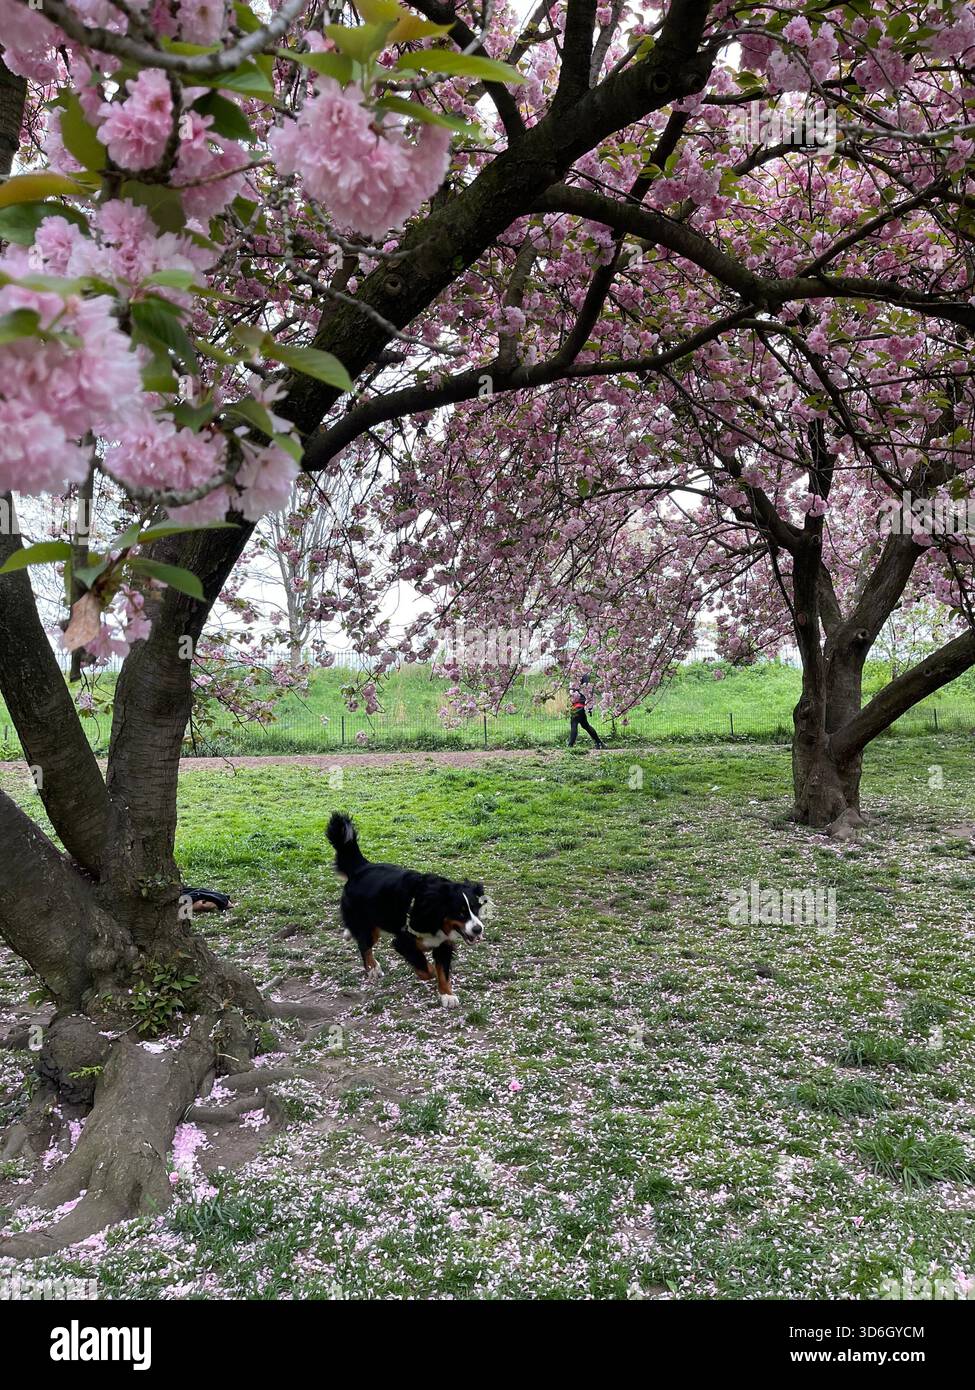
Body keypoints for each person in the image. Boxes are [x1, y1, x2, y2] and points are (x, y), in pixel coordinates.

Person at [568, 674, 604, 749]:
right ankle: (599, 742)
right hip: (579, 705)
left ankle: (570, 745)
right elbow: (588, 692)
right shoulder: (583, 676)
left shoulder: (577, 675)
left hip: (577, 706)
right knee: (585, 726)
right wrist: (589, 708)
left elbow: (586, 691)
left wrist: (589, 707)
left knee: (574, 724)